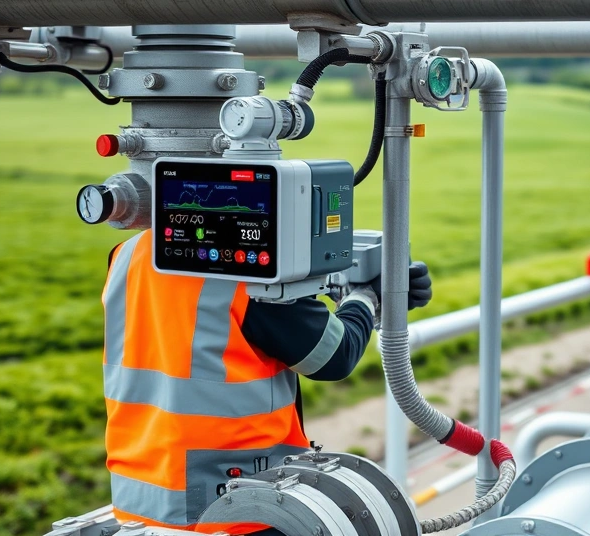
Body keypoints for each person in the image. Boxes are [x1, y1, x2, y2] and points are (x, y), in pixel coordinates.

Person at [101, 228, 432, 534]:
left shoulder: (128, 253)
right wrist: (367, 298)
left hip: (137, 505)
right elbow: (333, 355)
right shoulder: (246, 263)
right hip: (237, 507)